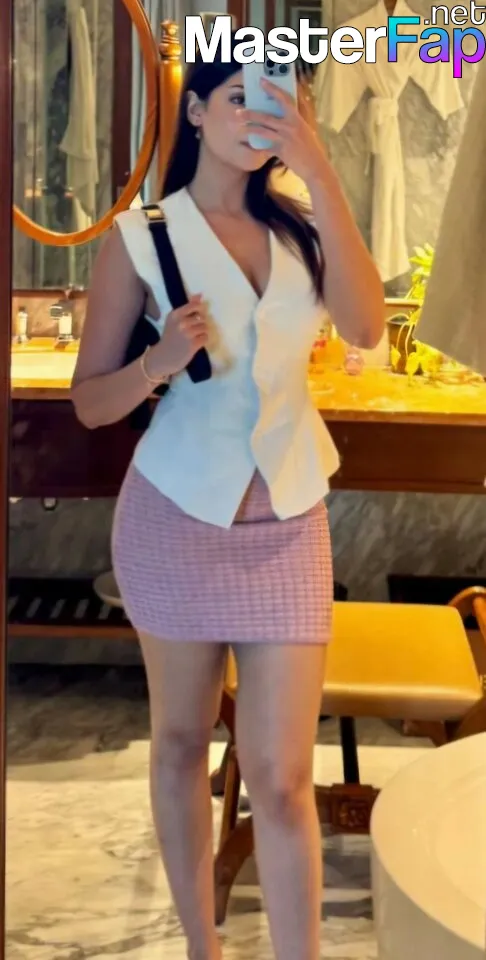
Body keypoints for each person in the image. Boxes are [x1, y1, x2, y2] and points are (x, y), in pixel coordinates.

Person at [71, 37, 384, 960]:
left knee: (282, 776)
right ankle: (201, 947)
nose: (259, 115)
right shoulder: (141, 236)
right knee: (178, 742)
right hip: (173, 516)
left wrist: (320, 169)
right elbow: (91, 404)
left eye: (278, 98)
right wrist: (159, 362)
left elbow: (367, 325)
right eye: (239, 96)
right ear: (197, 111)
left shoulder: (306, 228)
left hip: (287, 517)